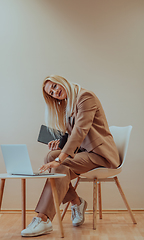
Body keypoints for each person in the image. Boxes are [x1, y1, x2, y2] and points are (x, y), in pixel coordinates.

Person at [21, 75, 120, 237]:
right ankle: (76, 202)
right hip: (84, 152)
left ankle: (43, 218)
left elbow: (81, 131)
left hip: (100, 154)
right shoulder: (69, 103)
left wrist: (61, 158)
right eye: (51, 92)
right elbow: (71, 134)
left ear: (61, 81)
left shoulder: (85, 97)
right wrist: (59, 145)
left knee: (59, 164)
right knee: (50, 157)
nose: (55, 92)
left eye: (54, 86)